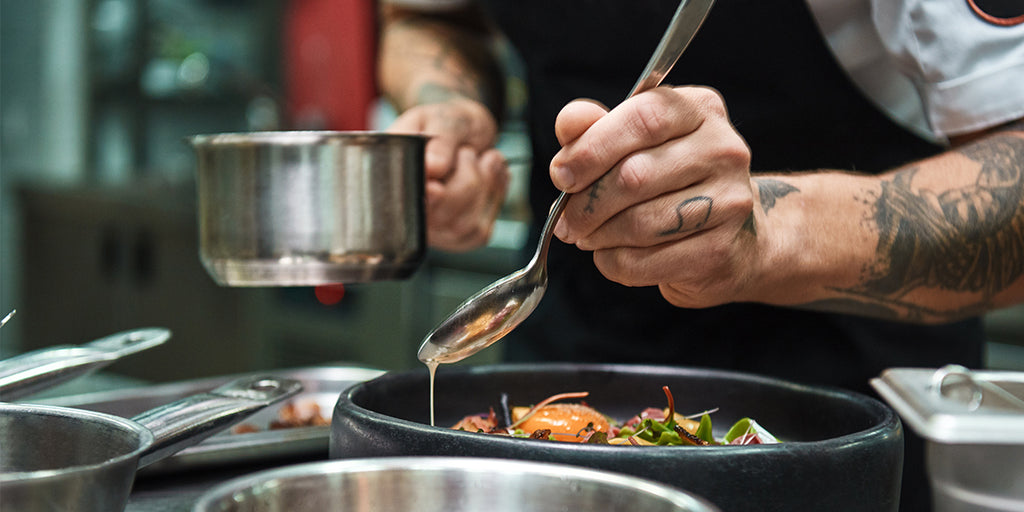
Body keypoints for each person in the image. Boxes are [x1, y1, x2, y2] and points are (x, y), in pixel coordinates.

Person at [376, 1, 1024, 510]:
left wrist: (770, 233)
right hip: (560, 367)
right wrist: (448, 106)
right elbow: (430, 16)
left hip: (835, 411)